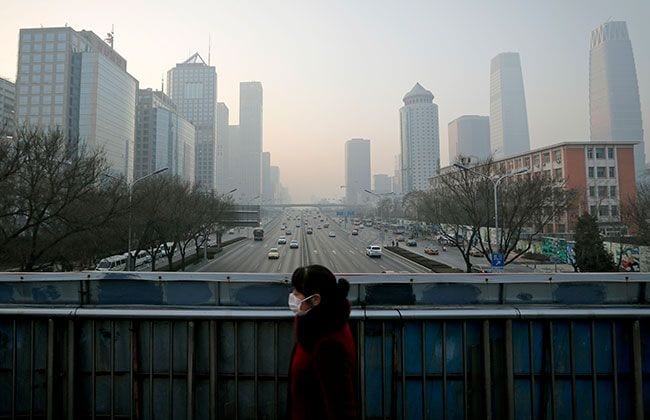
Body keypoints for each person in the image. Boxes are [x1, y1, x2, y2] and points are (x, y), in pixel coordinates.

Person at [287, 265, 356, 420]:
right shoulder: (317, 327)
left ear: (316, 299)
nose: (292, 297)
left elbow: (341, 407)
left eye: (297, 293)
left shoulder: (328, 344)